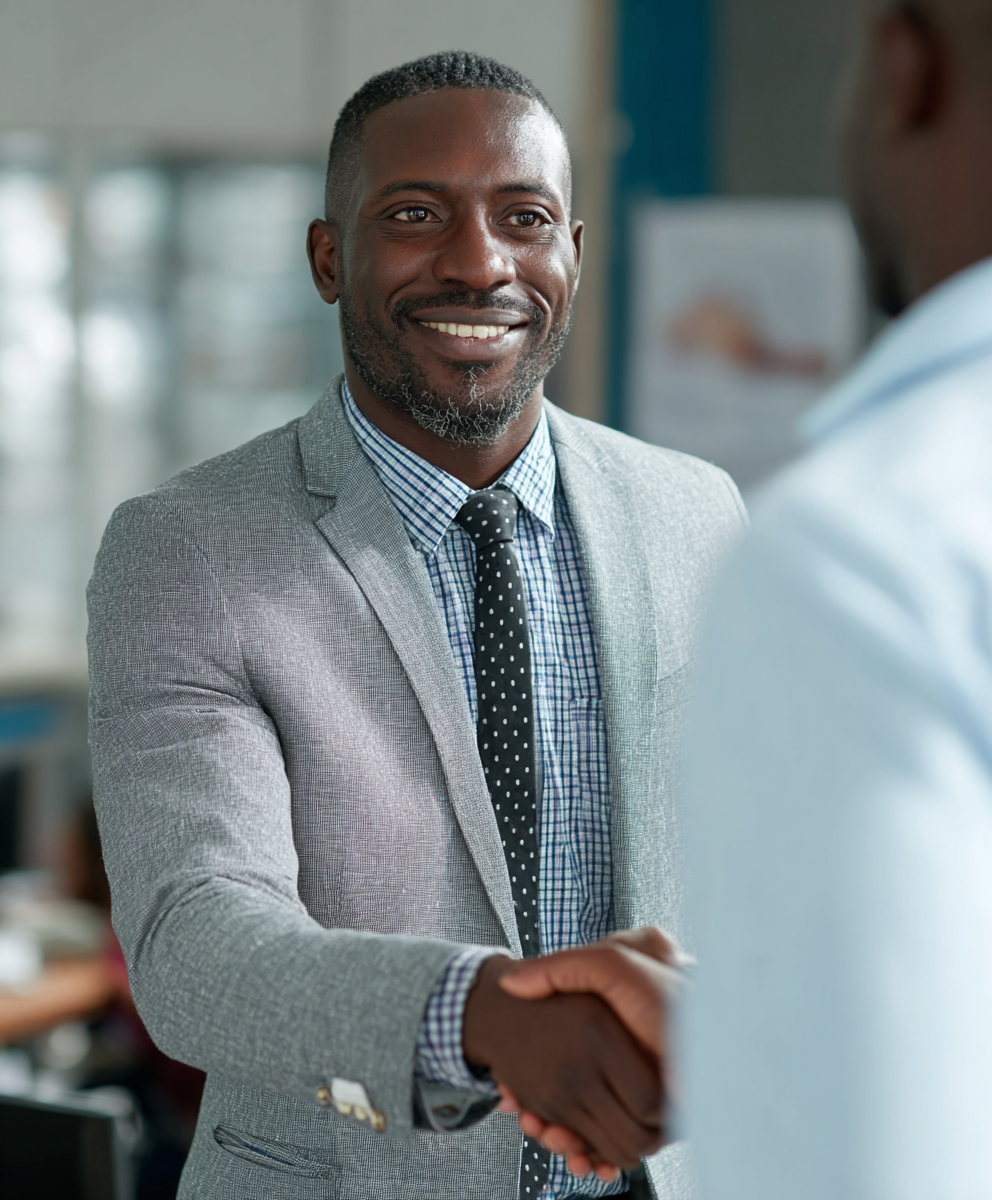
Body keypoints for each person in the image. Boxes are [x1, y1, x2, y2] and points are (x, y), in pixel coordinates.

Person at [87, 52, 745, 1200]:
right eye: (413, 214)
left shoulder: (695, 513)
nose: (478, 261)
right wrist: (482, 1016)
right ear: (327, 258)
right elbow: (195, 947)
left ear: (572, 257)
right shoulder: (187, 546)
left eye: (522, 217)